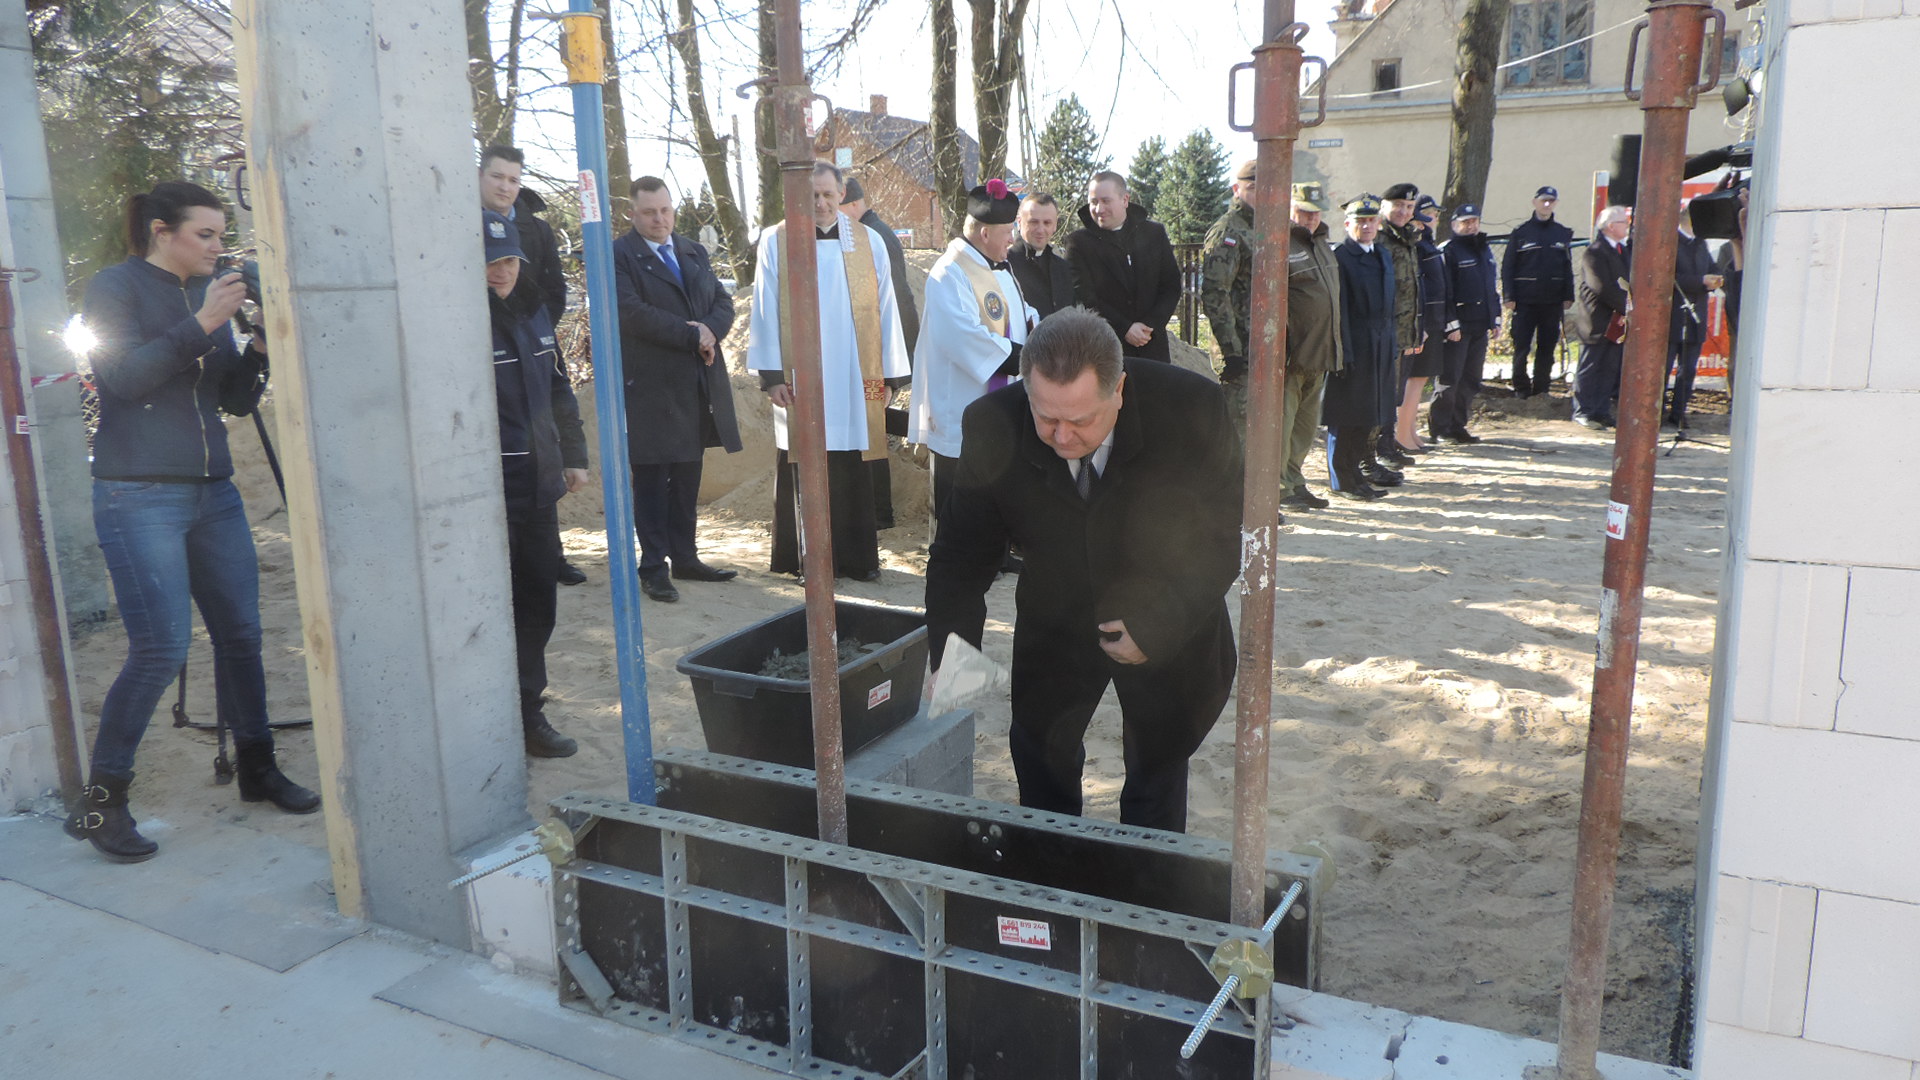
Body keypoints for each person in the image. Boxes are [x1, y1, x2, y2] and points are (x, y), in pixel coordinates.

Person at [66, 180, 319, 863]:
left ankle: (258, 767)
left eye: (220, 235)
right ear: (160, 231)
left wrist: (258, 347)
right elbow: (122, 380)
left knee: (242, 634)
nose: (217, 246)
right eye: (204, 234)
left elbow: (232, 401)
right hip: (138, 493)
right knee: (160, 648)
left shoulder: (206, 295)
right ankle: (101, 803)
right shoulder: (115, 288)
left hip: (214, 493)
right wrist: (203, 323)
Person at [924, 308, 1241, 833]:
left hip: (1167, 600)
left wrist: (1158, 623)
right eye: (1046, 417)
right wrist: (952, 652)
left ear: (1119, 389)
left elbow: (1224, 534)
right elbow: (961, 553)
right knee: (1040, 759)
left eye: (1081, 420)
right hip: (1056, 610)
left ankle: (1146, 867)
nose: (1062, 437)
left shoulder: (1191, 409)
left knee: (1158, 766)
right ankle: (1054, 864)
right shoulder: (993, 422)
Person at [746, 161, 910, 582]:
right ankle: (807, 559)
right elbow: (764, 305)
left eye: (827, 195)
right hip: (800, 374)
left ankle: (856, 559)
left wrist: (889, 378)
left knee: (852, 460)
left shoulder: (868, 241)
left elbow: (887, 306)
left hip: (855, 373)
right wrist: (772, 376)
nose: (820, 203)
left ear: (841, 195)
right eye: (811, 195)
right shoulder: (777, 240)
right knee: (805, 458)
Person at [484, 210, 590, 758]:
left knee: (537, 599)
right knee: (488, 606)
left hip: (539, 481)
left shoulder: (535, 313)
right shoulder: (459, 319)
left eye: (509, 259)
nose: (501, 270)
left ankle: (528, 713)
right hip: (487, 491)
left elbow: (559, 389)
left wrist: (574, 456)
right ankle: (485, 716)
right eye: (491, 260)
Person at [611, 176, 741, 603]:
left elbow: (723, 302)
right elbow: (631, 313)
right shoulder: (619, 255)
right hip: (649, 386)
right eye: (649, 212)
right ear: (633, 213)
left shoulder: (691, 250)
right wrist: (692, 336)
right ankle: (653, 567)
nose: (659, 219)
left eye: (665, 210)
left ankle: (685, 557)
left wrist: (710, 330)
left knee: (687, 474)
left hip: (695, 383)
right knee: (652, 479)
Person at [480, 144, 587, 586]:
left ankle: (552, 557)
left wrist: (532, 330)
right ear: (479, 178)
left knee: (540, 474)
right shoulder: (454, 222)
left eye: (514, 179)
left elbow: (552, 289)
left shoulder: (535, 229)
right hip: (489, 355)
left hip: (531, 341)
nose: (505, 187)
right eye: (497, 177)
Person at [909, 178, 1035, 523]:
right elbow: (962, 336)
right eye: (1008, 231)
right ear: (985, 233)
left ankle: (994, 550)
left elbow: (1023, 315)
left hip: (1000, 406)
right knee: (957, 510)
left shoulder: (1001, 268)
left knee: (995, 502)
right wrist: (1024, 358)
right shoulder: (948, 273)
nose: (1013, 239)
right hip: (961, 409)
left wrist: (1041, 333)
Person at [840, 176, 917, 529]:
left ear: (853, 204)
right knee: (874, 422)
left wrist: (892, 371)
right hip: (882, 349)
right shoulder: (875, 231)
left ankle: (879, 512)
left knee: (872, 425)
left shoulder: (871, 236)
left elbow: (891, 300)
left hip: (880, 351)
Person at [1321, 194, 1400, 500]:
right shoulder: (1342, 257)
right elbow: (1339, 310)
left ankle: (1356, 476)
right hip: (1355, 346)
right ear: (1347, 224)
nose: (1367, 226)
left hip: (1381, 346)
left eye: (1371, 220)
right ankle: (1341, 480)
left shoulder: (1382, 255)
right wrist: (1344, 353)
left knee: (1368, 416)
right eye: (1360, 221)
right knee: (1346, 416)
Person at [1062, 171, 1183, 363]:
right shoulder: (1078, 243)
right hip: (1105, 348)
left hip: (1152, 344)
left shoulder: (1154, 234)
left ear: (1125, 199)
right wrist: (1124, 328)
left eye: (1106, 201)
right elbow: (1084, 296)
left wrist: (1149, 326)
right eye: (1093, 202)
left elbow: (1171, 285)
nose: (1099, 209)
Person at [1279, 182, 1343, 511]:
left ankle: (1295, 480)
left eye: (1316, 212)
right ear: (1290, 209)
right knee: (1283, 425)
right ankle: (1280, 488)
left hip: (1320, 352)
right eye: (1304, 211)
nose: (1310, 218)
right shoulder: (1280, 242)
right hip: (1292, 355)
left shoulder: (1322, 245)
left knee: (1305, 427)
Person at [1200, 159, 1259, 433]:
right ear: (1237, 189)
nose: (1261, 194)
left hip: (1263, 347)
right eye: (1253, 188)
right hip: (1240, 350)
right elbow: (1215, 293)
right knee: (1238, 433)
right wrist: (1230, 350)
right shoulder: (1228, 230)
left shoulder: (1262, 227)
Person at [1432, 204, 1499, 443]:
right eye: (1465, 222)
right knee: (1450, 378)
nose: (1471, 226)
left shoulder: (1483, 248)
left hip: (1480, 325)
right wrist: (1451, 324)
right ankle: (1440, 428)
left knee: (1471, 379)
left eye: (1474, 221)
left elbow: (1491, 287)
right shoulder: (1448, 251)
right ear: (1454, 225)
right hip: (1458, 327)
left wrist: (1495, 319)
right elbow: (1444, 291)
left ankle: (1458, 426)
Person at [1501, 186, 1576, 398]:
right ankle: (1521, 388)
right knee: (1522, 346)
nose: (1547, 204)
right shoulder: (1521, 233)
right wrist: (1509, 296)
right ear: (1534, 202)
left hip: (1552, 301)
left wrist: (1568, 295)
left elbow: (1567, 267)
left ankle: (1541, 389)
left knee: (1547, 347)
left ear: (1556, 203)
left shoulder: (1562, 233)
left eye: (1551, 200)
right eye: (1543, 200)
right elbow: (1508, 267)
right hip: (1524, 301)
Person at [1393, 193, 1452, 454]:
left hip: (1434, 320)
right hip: (1423, 322)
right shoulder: (1417, 247)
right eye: (1426, 216)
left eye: (1434, 215)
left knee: (1419, 380)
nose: (1431, 220)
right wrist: (1422, 325)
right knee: (1412, 380)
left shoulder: (1427, 245)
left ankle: (1410, 431)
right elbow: (1418, 291)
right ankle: (1401, 434)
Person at [1570, 205, 1634, 429]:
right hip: (1597, 320)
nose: (1627, 226)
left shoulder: (1623, 250)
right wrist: (1628, 307)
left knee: (1609, 367)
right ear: (1610, 226)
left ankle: (1601, 410)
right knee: (1590, 366)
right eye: (1624, 222)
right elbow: (1601, 287)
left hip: (1618, 321)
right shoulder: (1595, 251)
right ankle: (1583, 410)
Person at [1665, 214, 1722, 429]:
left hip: (1696, 315)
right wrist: (1700, 281)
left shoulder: (1700, 243)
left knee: (1688, 369)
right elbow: (1668, 276)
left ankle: (1678, 412)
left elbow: (1712, 267)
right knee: (1664, 367)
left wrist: (1717, 278)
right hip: (1673, 315)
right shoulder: (1671, 241)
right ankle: (1656, 410)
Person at [1006, 192, 1074, 319]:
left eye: (1047, 223)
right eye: (1034, 222)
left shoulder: (1063, 268)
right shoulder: (1006, 264)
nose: (1040, 230)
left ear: (1055, 225)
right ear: (1019, 222)